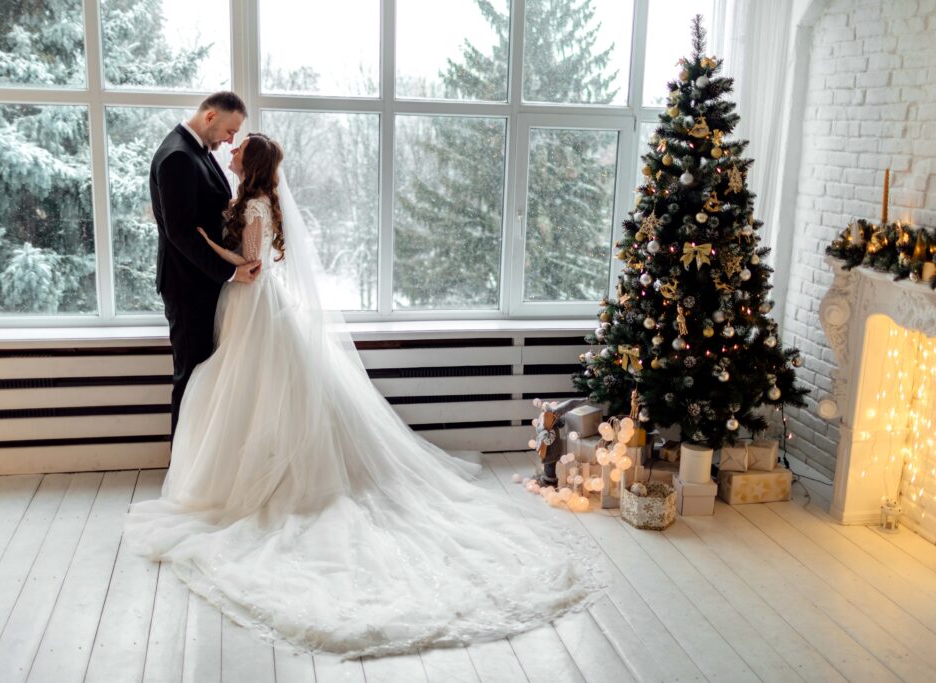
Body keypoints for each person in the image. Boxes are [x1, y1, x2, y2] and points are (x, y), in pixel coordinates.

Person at [125, 133, 606, 660]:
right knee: (237, 391)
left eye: (240, 149)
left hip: (254, 304)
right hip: (244, 306)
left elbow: (250, 263)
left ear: (252, 163)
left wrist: (205, 244)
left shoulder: (258, 202)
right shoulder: (247, 195)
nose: (231, 151)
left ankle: (264, 480)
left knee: (251, 389)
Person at [149, 91, 261, 435]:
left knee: (207, 380)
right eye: (230, 131)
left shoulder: (197, 150)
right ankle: (181, 473)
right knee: (192, 379)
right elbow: (180, 233)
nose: (231, 141)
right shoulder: (177, 156)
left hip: (205, 285)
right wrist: (230, 271)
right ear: (210, 117)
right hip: (188, 289)